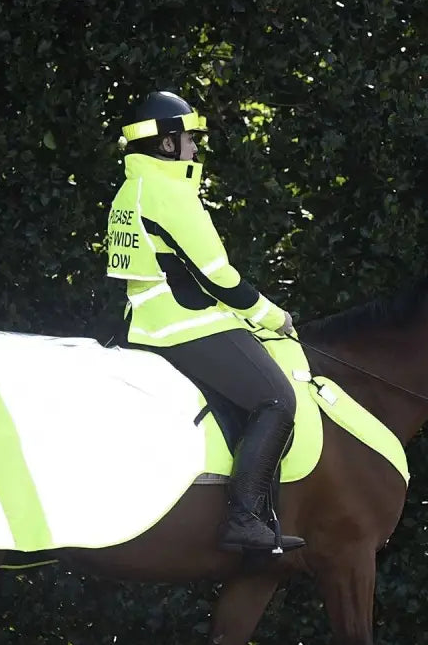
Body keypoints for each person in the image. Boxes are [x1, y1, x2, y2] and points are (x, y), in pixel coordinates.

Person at [106, 90, 305, 554]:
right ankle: (244, 518)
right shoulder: (168, 192)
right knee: (277, 400)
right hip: (185, 325)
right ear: (167, 144)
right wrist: (274, 317)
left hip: (142, 323)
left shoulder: (130, 188)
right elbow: (219, 278)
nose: (196, 148)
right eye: (190, 139)